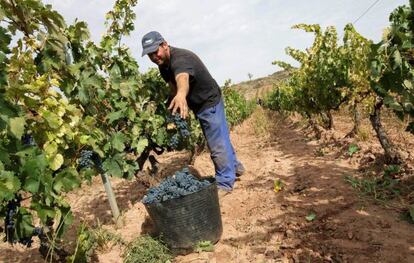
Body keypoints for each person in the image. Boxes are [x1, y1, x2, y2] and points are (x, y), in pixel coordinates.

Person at [141, 31, 244, 193]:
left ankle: (224, 183)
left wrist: (181, 95)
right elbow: (173, 86)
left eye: (155, 51)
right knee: (219, 136)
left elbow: (182, 79)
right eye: (149, 55)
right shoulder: (163, 66)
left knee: (216, 143)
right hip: (198, 104)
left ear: (165, 45)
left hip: (209, 101)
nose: (154, 57)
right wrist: (171, 103)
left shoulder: (181, 59)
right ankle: (235, 167)